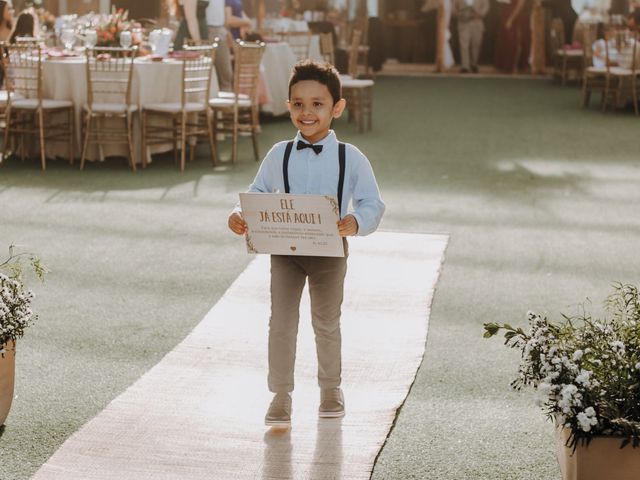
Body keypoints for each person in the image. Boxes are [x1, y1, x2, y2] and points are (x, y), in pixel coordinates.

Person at [228, 60, 385, 427]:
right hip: (286, 251)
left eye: (317, 104)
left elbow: (372, 202)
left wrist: (357, 222)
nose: (307, 112)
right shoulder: (278, 153)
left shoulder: (352, 158)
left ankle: (331, 388)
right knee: (280, 322)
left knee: (326, 322)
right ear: (288, 107)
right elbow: (256, 193)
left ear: (337, 108)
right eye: (298, 104)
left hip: (331, 252)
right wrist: (239, 213)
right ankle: (280, 394)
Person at [493, 0, 531, 73]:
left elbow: (520, 6)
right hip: (506, 14)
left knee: (513, 41)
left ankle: (513, 66)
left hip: (516, 18)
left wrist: (511, 19)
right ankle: (503, 65)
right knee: (505, 40)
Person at [453, 0, 489, 73]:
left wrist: (480, 14)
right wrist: (458, 14)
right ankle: (465, 66)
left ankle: (474, 64)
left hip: (477, 22)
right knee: (464, 45)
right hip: (463, 23)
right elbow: (453, 7)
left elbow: (486, 6)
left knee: (476, 44)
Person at [206, 0, 233, 91]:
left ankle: (226, 103)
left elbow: (225, 14)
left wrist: (226, 31)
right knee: (207, 74)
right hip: (206, 29)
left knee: (226, 74)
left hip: (220, 30)